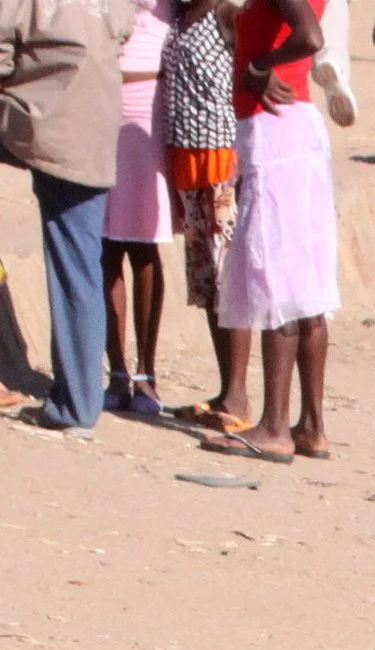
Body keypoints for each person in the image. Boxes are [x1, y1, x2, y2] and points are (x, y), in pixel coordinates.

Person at [199, 0, 334, 463]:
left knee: (279, 279)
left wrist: (258, 67)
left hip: (275, 131)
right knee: (307, 286)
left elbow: (309, 37)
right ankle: (311, 425)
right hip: (294, 129)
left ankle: (275, 426)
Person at [1, 0, 129, 431]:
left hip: (50, 129)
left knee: (74, 269)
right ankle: (80, 399)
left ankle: (76, 404)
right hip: (96, 129)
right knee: (81, 269)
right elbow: (123, 32)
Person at [160, 0, 249, 430]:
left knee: (228, 277)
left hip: (221, 161)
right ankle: (226, 388)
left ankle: (238, 394)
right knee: (209, 283)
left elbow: (255, 66)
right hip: (186, 160)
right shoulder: (179, 16)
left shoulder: (224, 15)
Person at [101, 0, 173, 414]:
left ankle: (146, 374)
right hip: (99, 99)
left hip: (149, 106)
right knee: (106, 244)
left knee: (144, 244)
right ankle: (117, 371)